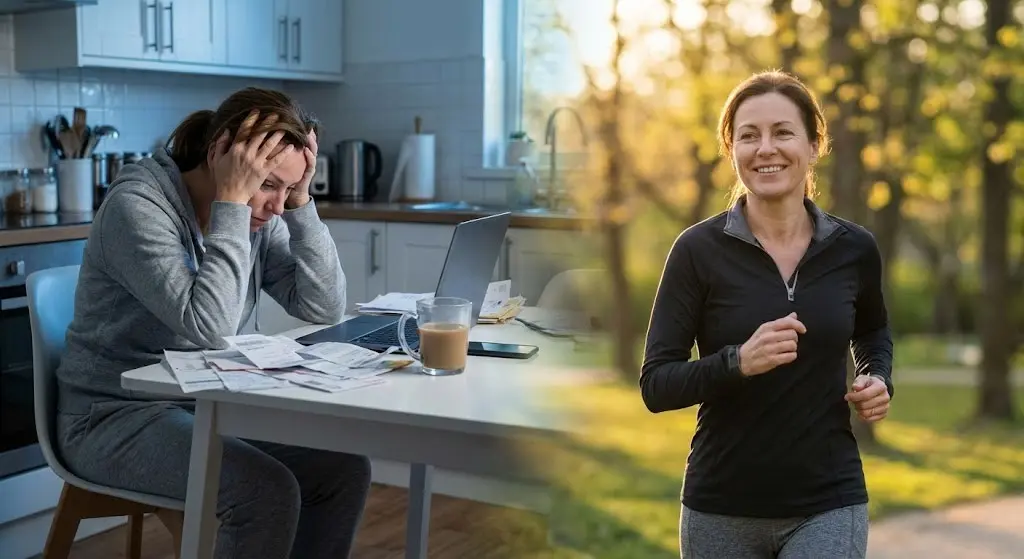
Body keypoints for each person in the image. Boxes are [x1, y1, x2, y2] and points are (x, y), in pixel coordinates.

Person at [55, 87, 371, 558]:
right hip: (111, 416)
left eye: (290, 188)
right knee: (264, 492)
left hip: (206, 403)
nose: (277, 206)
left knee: (342, 471)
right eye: (269, 184)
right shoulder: (138, 208)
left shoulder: (262, 216)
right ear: (220, 154)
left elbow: (323, 306)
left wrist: (302, 203)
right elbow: (212, 327)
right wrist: (233, 204)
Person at [640, 70, 894, 558]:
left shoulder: (854, 248)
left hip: (829, 499)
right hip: (721, 505)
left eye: (783, 132)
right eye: (748, 136)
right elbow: (656, 385)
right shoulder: (697, 250)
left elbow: (874, 329)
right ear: (731, 150)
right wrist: (738, 362)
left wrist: (877, 376)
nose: (765, 148)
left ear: (814, 144)